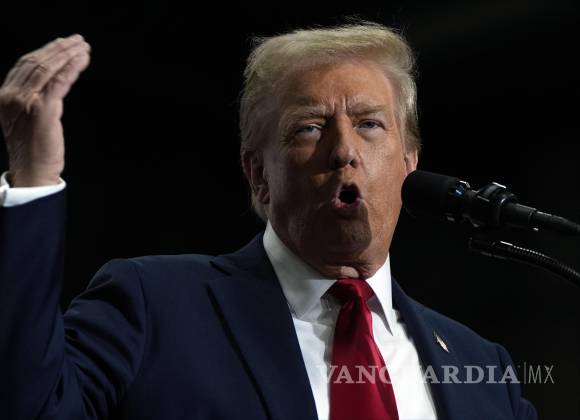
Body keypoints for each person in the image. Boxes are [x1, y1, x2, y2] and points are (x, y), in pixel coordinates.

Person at [0, 22, 537, 419]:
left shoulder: (483, 369)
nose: (344, 150)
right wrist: (33, 176)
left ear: (409, 164)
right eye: (309, 127)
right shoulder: (154, 306)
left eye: (370, 124)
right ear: (258, 173)